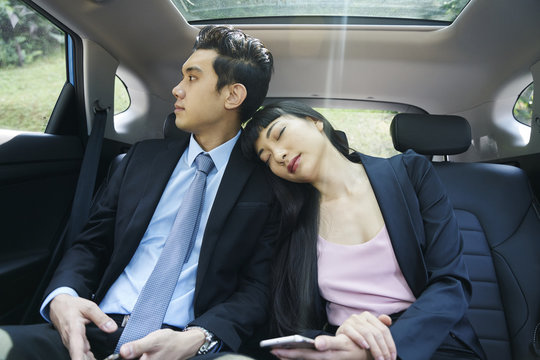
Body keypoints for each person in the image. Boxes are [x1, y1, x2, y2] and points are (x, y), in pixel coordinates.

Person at [0, 25, 277, 360]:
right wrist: (63, 297)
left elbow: (257, 288)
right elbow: (92, 243)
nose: (177, 89)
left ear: (232, 95)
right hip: (96, 329)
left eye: (192, 78)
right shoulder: (140, 159)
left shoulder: (266, 184)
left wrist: (200, 337)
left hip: (188, 346)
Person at [240, 100, 486, 360]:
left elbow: (451, 282)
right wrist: (333, 341)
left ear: (315, 122)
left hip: (427, 341)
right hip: (341, 345)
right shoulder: (290, 219)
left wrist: (383, 346)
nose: (278, 155)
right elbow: (289, 318)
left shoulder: (411, 174)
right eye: (267, 158)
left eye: (279, 134)